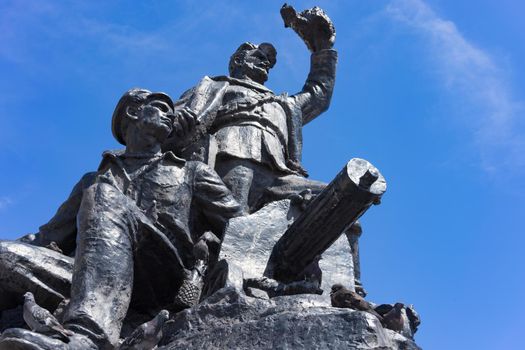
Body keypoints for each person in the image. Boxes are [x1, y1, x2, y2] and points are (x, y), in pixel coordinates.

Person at [0, 88, 242, 349]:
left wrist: (211, 242)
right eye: (161, 107)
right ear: (133, 111)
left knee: (103, 194)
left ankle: (88, 337)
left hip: (160, 278)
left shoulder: (192, 172)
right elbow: (48, 237)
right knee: (5, 254)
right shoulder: (91, 179)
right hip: (93, 275)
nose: (170, 115)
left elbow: (241, 225)